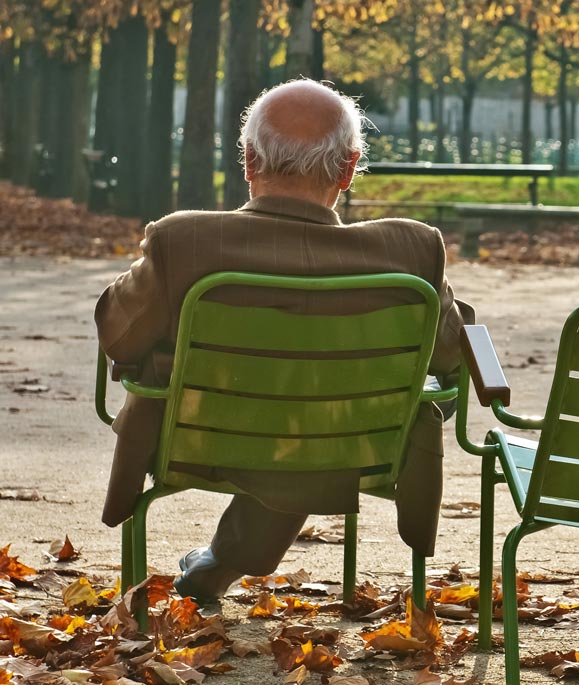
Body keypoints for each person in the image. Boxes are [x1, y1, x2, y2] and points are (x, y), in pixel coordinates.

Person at [95, 79, 471, 609]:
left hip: (197, 444)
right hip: (357, 447)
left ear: (249, 161)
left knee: (281, 412)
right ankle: (223, 562)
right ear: (348, 168)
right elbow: (453, 357)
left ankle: (220, 564)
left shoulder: (185, 242)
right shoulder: (411, 253)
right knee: (317, 410)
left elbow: (119, 337)